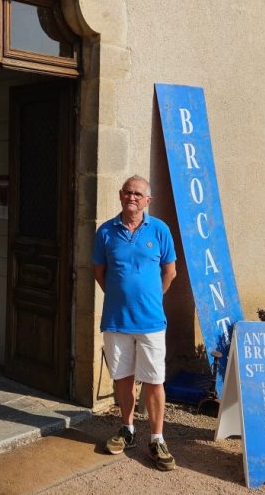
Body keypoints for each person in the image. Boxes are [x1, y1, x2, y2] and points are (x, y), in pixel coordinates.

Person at [92, 175, 178, 471]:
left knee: (154, 380)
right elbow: (99, 272)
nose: (132, 197)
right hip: (116, 320)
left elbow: (170, 272)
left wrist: (150, 298)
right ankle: (127, 430)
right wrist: (121, 297)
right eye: (127, 192)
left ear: (147, 201)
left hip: (151, 321)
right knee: (123, 378)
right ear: (120, 195)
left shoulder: (160, 230)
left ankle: (157, 438)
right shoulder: (105, 231)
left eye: (138, 194)